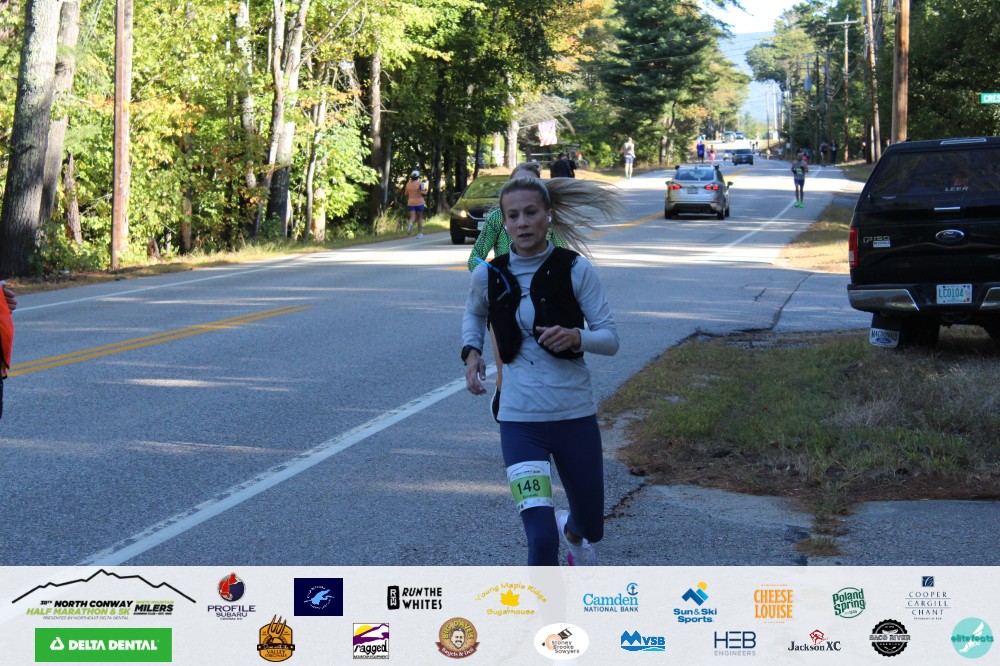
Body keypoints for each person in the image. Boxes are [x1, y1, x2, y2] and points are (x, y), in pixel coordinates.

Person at [461, 176, 622, 566]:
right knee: (540, 539)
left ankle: (574, 533)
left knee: (592, 524)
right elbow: (474, 312)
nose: (522, 223)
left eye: (531, 213)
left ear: (548, 215)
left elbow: (610, 339)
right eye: (513, 215)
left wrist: (577, 337)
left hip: (573, 416)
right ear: (503, 222)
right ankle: (547, 608)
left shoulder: (575, 269)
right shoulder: (489, 274)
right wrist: (472, 352)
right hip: (520, 421)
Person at [467, 162, 566, 421]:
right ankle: (504, 403)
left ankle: (545, 416)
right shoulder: (498, 219)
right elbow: (475, 258)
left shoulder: (547, 220)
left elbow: (563, 258)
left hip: (542, 303)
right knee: (506, 366)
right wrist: (495, 281)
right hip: (504, 304)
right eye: (517, 182)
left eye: (531, 183)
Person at [404, 170, 427, 238]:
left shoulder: (408, 184)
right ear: (418, 176)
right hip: (419, 203)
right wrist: (425, 191)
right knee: (419, 218)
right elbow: (423, 193)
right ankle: (419, 233)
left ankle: (410, 224)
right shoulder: (420, 183)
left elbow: (406, 194)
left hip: (411, 203)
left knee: (413, 217)